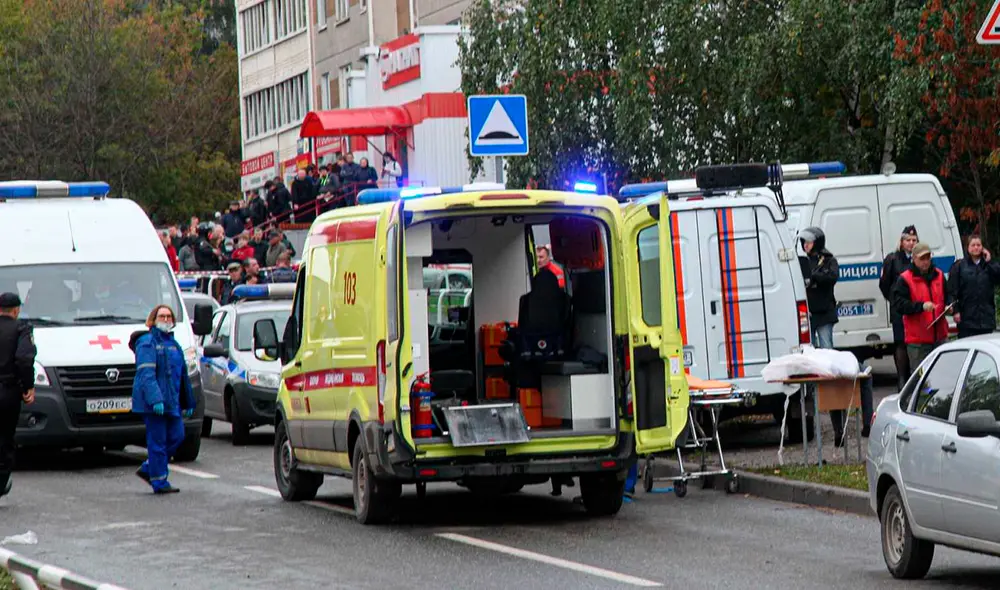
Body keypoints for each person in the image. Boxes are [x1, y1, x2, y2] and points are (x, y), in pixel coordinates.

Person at [130, 305, 196, 494]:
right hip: (154, 405)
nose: (166, 320)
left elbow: (182, 376)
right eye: (162, 316)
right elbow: (146, 375)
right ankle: (159, 481)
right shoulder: (146, 342)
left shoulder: (174, 345)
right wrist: (155, 399)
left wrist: (188, 401)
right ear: (153, 319)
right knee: (157, 442)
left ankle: (150, 468)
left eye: (169, 316)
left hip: (171, 402)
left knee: (177, 436)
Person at [892, 242, 951, 371]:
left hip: (940, 336)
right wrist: (921, 306)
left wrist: (949, 306)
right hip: (918, 341)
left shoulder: (939, 275)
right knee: (922, 380)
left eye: (928, 258)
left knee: (944, 374)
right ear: (913, 259)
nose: (925, 262)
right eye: (922, 259)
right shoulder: (905, 279)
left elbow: (948, 295)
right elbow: (899, 305)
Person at [0, 293, 35, 500]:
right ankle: (1, 482)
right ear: (16, 310)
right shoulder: (21, 328)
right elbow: (24, 359)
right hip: (7, 390)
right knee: (5, 437)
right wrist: (28, 386)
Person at [879, 225, 919, 389]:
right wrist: (895, 301)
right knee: (901, 344)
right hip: (899, 310)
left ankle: (917, 381)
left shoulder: (920, 258)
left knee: (916, 344)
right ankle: (902, 380)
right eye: (908, 240)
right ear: (901, 242)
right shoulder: (892, 259)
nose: (911, 243)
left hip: (916, 309)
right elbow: (884, 284)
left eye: (914, 240)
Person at [949, 234, 1000, 339]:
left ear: (983, 247)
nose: (976, 247)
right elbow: (952, 291)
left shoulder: (988, 265)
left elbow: (997, 277)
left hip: (986, 318)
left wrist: (989, 261)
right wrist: (956, 311)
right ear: (967, 247)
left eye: (978, 245)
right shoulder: (959, 266)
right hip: (967, 319)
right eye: (973, 245)